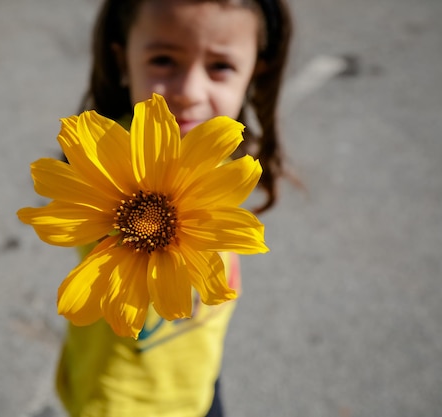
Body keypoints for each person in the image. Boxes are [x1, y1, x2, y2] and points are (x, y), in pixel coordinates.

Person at [55, 0, 292, 416]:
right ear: (122, 60)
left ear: (258, 69)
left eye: (220, 66)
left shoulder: (217, 154)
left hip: (196, 377)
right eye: (164, 59)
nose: (188, 92)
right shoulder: (115, 159)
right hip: (121, 400)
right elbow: (85, 221)